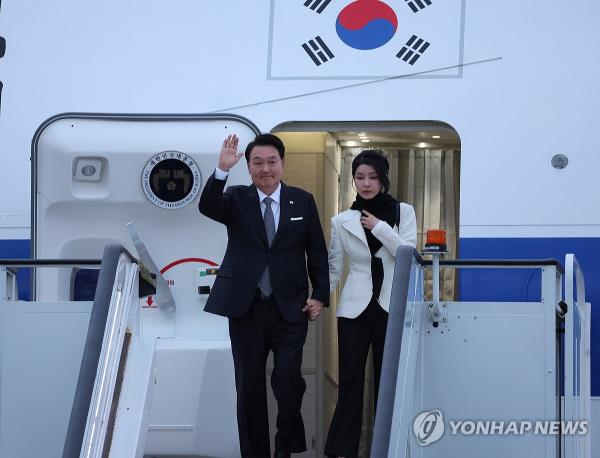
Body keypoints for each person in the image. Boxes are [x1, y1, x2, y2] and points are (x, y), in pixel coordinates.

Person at [198, 133, 329, 458]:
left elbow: (316, 252)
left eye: (272, 162)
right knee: (249, 387)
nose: (265, 169)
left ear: (283, 163)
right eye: (257, 162)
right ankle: (255, 453)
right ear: (249, 165)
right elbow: (208, 206)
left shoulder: (302, 200)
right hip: (247, 306)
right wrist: (221, 171)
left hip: (290, 307)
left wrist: (321, 295)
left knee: (288, 380)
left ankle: (285, 446)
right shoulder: (237, 198)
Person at [324, 150, 417, 458]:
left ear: (383, 179)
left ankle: (389, 450)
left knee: (386, 383)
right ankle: (343, 451)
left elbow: (408, 255)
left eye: (373, 177)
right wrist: (317, 297)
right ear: (353, 180)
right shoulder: (342, 220)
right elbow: (334, 267)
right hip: (354, 308)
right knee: (350, 383)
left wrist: (379, 227)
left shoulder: (404, 212)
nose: (366, 184)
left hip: (391, 306)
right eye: (360, 177)